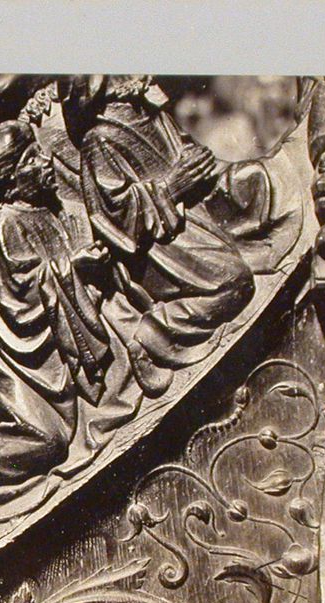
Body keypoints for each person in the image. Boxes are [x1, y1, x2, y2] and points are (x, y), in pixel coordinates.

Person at [0, 119, 124, 548]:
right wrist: (74, 269)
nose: (45, 161)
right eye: (33, 158)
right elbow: (21, 296)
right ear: (13, 176)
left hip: (63, 341)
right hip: (29, 363)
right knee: (46, 438)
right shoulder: (2, 227)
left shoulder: (42, 211)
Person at [75, 75, 256, 396]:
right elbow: (112, 216)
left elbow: (189, 159)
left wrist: (202, 165)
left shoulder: (152, 114)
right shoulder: (99, 139)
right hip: (154, 248)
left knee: (262, 190)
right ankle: (150, 336)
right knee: (234, 281)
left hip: (193, 217)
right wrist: (171, 186)